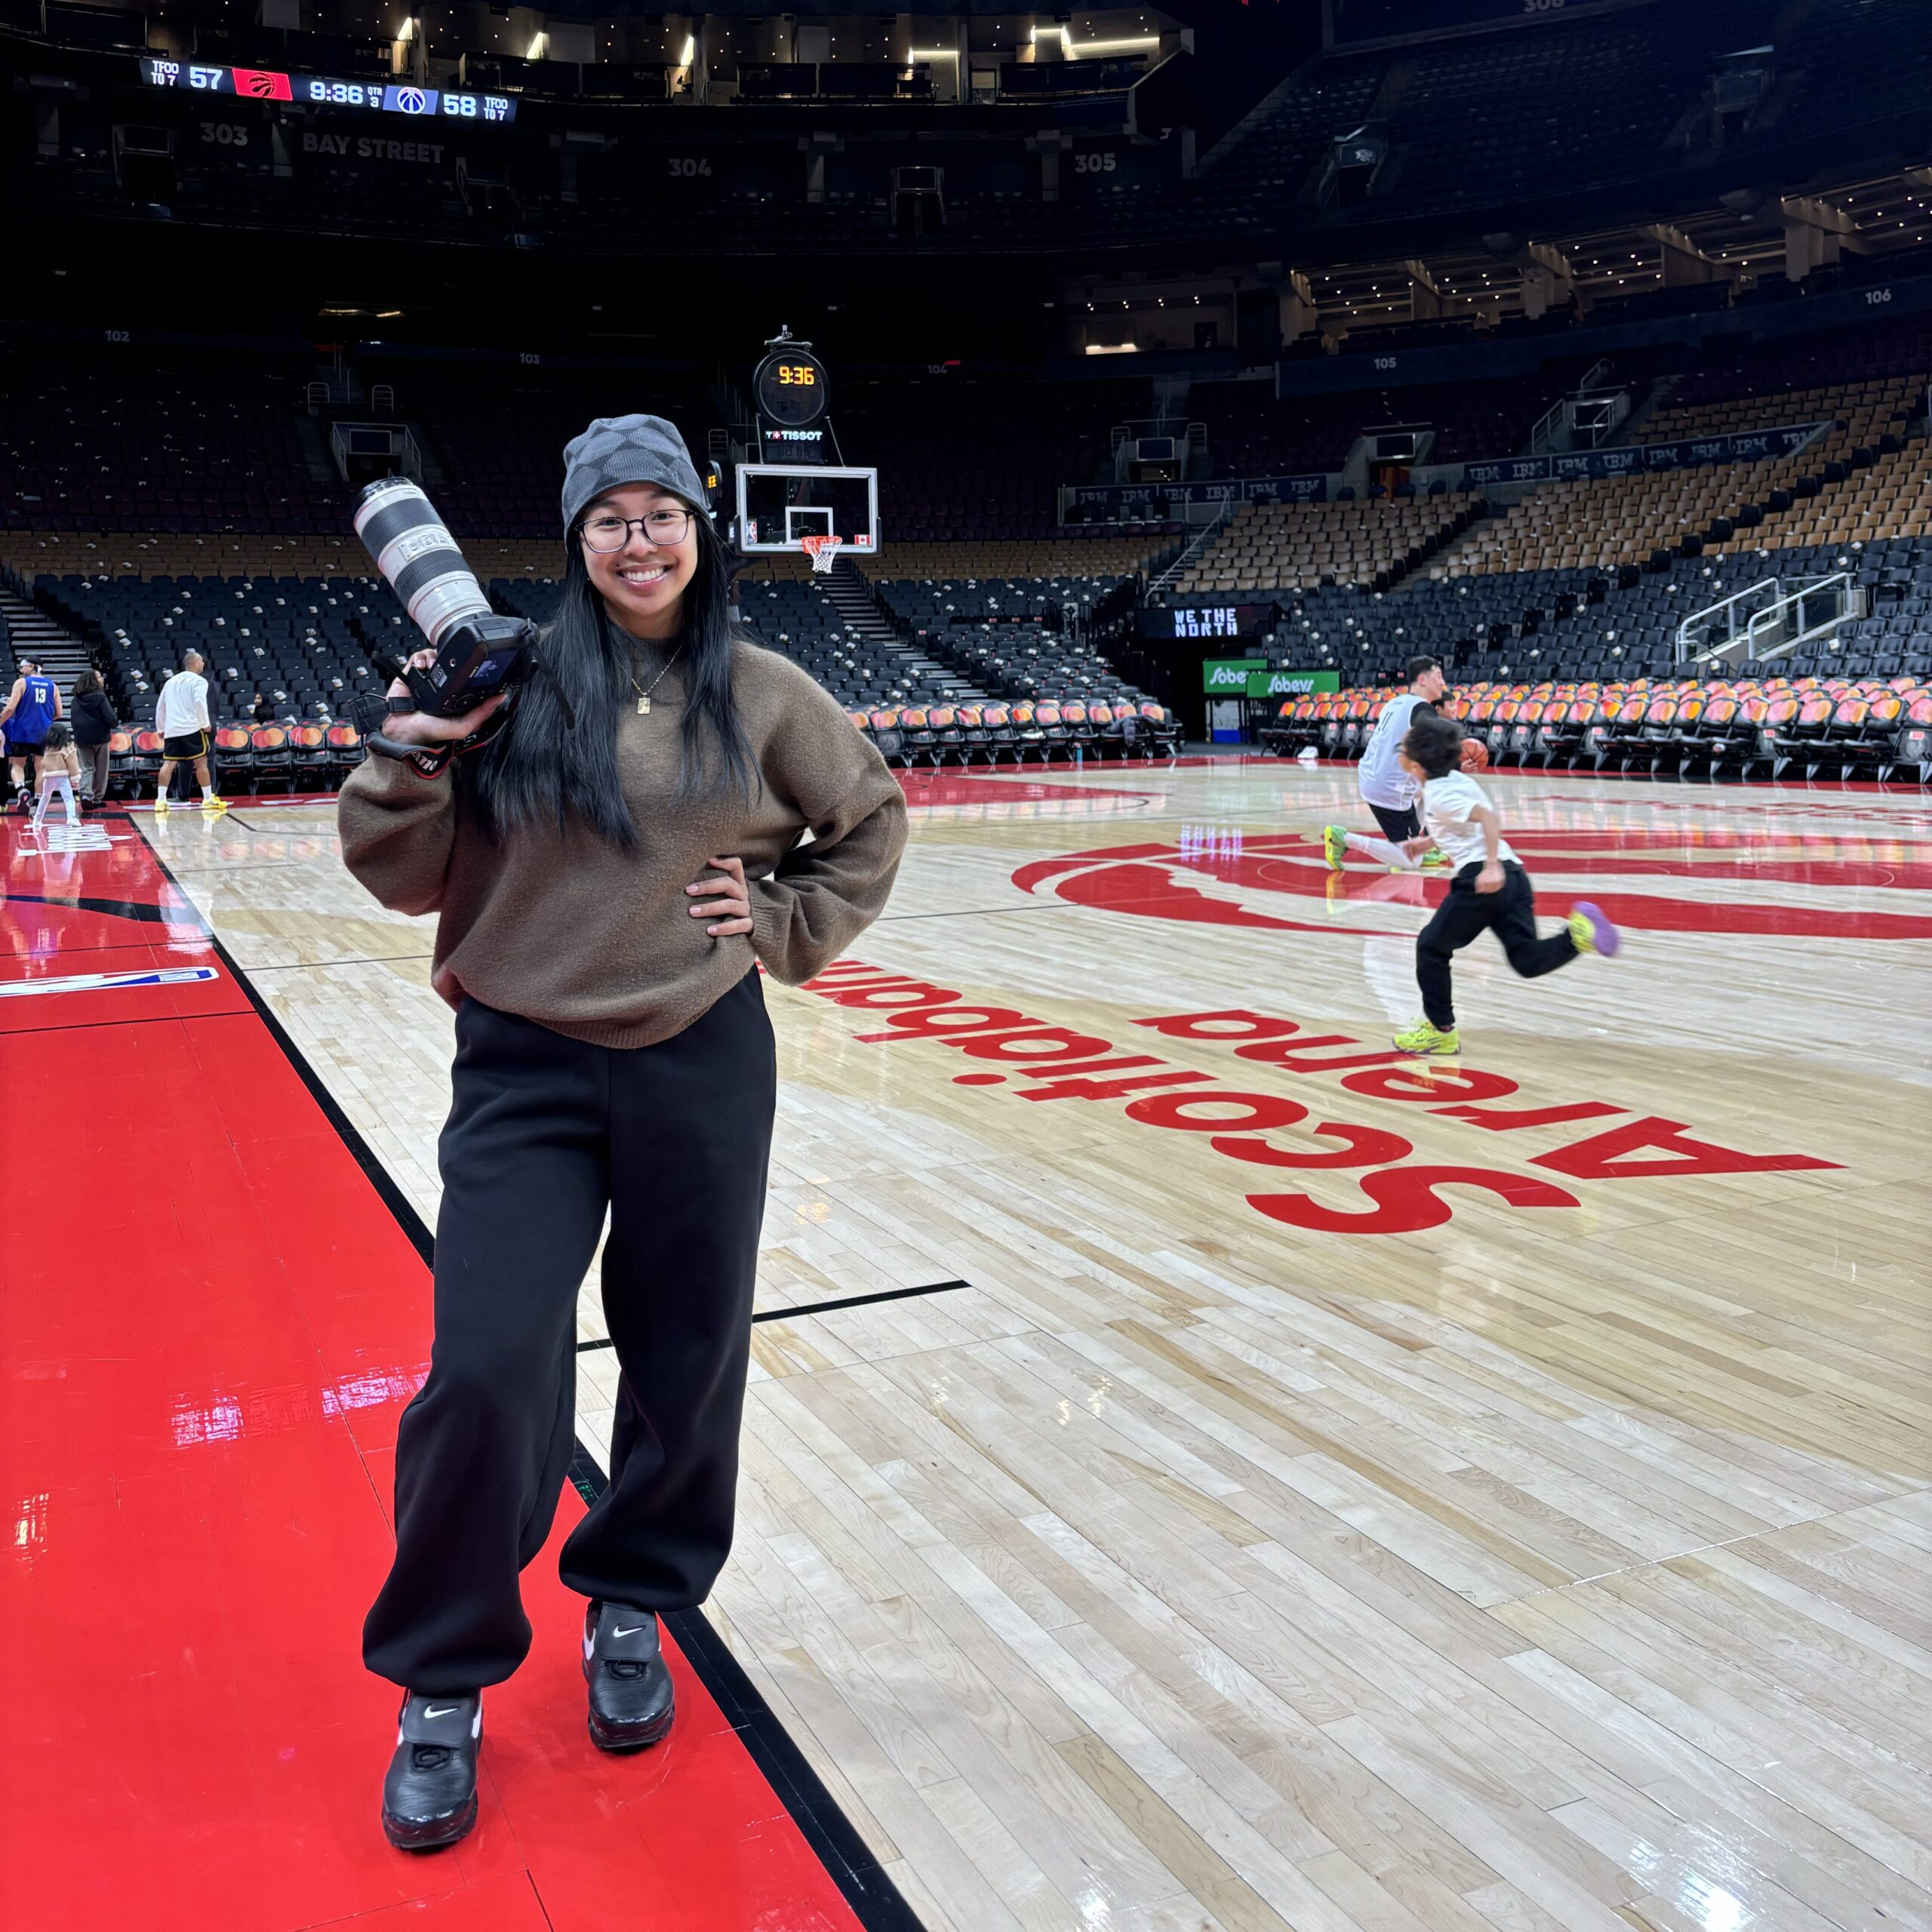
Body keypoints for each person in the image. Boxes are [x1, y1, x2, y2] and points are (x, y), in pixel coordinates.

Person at [337, 414, 908, 1853]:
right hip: (521, 1071)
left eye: (663, 513)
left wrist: (781, 921)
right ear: (576, 541)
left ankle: (638, 1596)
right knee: (482, 1369)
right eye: (610, 517)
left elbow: (870, 818)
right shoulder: (508, 684)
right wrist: (415, 746)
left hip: (699, 1064)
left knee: (686, 1352)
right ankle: (444, 1677)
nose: (639, 539)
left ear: (700, 533)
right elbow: (398, 876)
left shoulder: (765, 693)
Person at [1391, 709, 1619, 1057]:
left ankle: (1440, 1031)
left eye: (1403, 749)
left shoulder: (1440, 793)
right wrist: (1428, 843)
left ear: (1417, 766)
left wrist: (1491, 866)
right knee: (1526, 960)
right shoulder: (1453, 782)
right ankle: (1579, 935)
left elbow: (1487, 818)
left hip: (1484, 878)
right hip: (1515, 877)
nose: (1400, 752)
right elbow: (1462, 825)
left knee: (1431, 947)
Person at [1321, 654, 1447, 874]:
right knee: (1410, 861)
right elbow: (1437, 743)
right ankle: (1343, 839)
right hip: (1389, 789)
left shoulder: (1394, 702)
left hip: (1371, 777)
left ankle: (1416, 845)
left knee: (1434, 787)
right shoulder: (1422, 709)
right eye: (1438, 676)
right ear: (1422, 680)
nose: (1443, 683)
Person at [152, 649, 225, 813]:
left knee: (169, 764)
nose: (203, 663)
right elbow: (200, 702)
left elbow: (160, 706)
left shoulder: (170, 682)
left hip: (172, 729)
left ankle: (160, 801)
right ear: (193, 663)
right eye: (201, 661)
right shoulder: (200, 682)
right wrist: (205, 723)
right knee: (201, 763)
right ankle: (207, 799)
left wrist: (160, 728)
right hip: (192, 728)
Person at [1, 656, 62, 813]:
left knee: (17, 765)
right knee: (40, 769)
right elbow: (59, 713)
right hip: (44, 732)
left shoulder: (21, 683)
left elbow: (9, 709)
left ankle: (21, 790)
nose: (21, 669)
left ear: (33, 666)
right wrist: (45, 720)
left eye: (24, 666)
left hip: (23, 730)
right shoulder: (53, 686)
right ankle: (36, 804)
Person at [69, 669, 118, 808]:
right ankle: (97, 799)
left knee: (86, 767)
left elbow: (73, 720)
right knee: (101, 769)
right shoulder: (101, 697)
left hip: (82, 738)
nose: (102, 679)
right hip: (101, 737)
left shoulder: (76, 700)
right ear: (93, 680)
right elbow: (111, 718)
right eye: (99, 677)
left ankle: (85, 795)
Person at [30, 721, 82, 835]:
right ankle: (71, 818)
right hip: (62, 776)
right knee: (68, 798)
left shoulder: (49, 748)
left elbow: (43, 762)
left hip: (48, 776)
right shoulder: (68, 747)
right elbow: (73, 763)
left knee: (45, 798)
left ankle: (37, 819)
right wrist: (75, 778)